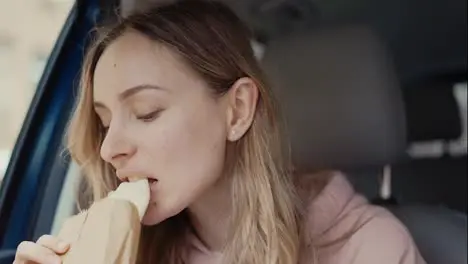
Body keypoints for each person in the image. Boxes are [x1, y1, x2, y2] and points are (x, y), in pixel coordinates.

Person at [14, 1, 426, 263]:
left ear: (238, 111)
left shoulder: (370, 249)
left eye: (146, 111)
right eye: (104, 123)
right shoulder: (127, 251)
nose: (108, 149)